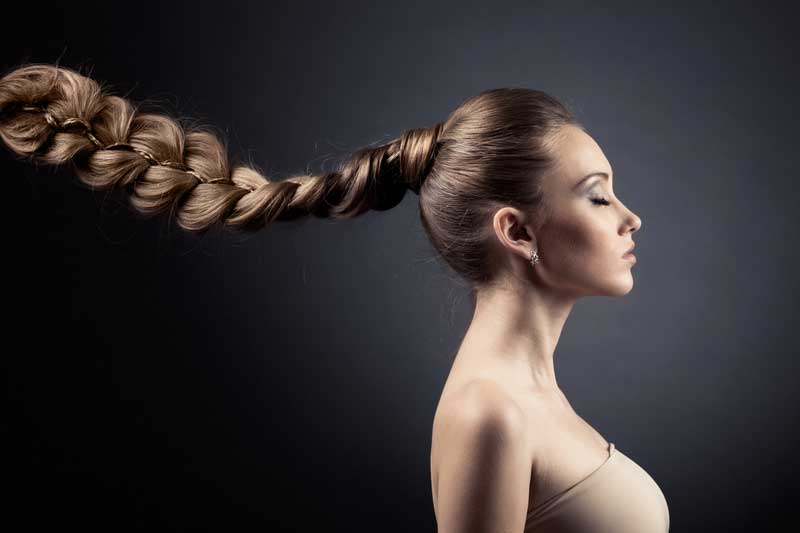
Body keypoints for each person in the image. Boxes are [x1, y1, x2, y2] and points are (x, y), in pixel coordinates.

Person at [0, 63, 668, 532]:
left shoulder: (529, 396)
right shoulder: (490, 411)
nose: (628, 217)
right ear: (516, 230)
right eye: (598, 193)